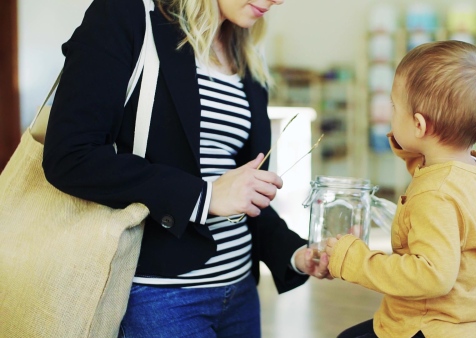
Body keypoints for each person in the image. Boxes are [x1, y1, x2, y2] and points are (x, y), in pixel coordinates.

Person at [42, 0, 330, 337]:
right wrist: (203, 196)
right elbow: (71, 155)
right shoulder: (128, 15)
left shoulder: (247, 54)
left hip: (240, 292)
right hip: (158, 298)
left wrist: (296, 252)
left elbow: (244, 189)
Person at [324, 40, 476, 338]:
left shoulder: (435, 195)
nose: (391, 115)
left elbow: (432, 276)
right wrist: (408, 142)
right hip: (469, 322)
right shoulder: (470, 170)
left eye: (395, 107)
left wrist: (355, 260)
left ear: (419, 125)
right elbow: (428, 167)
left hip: (429, 327)